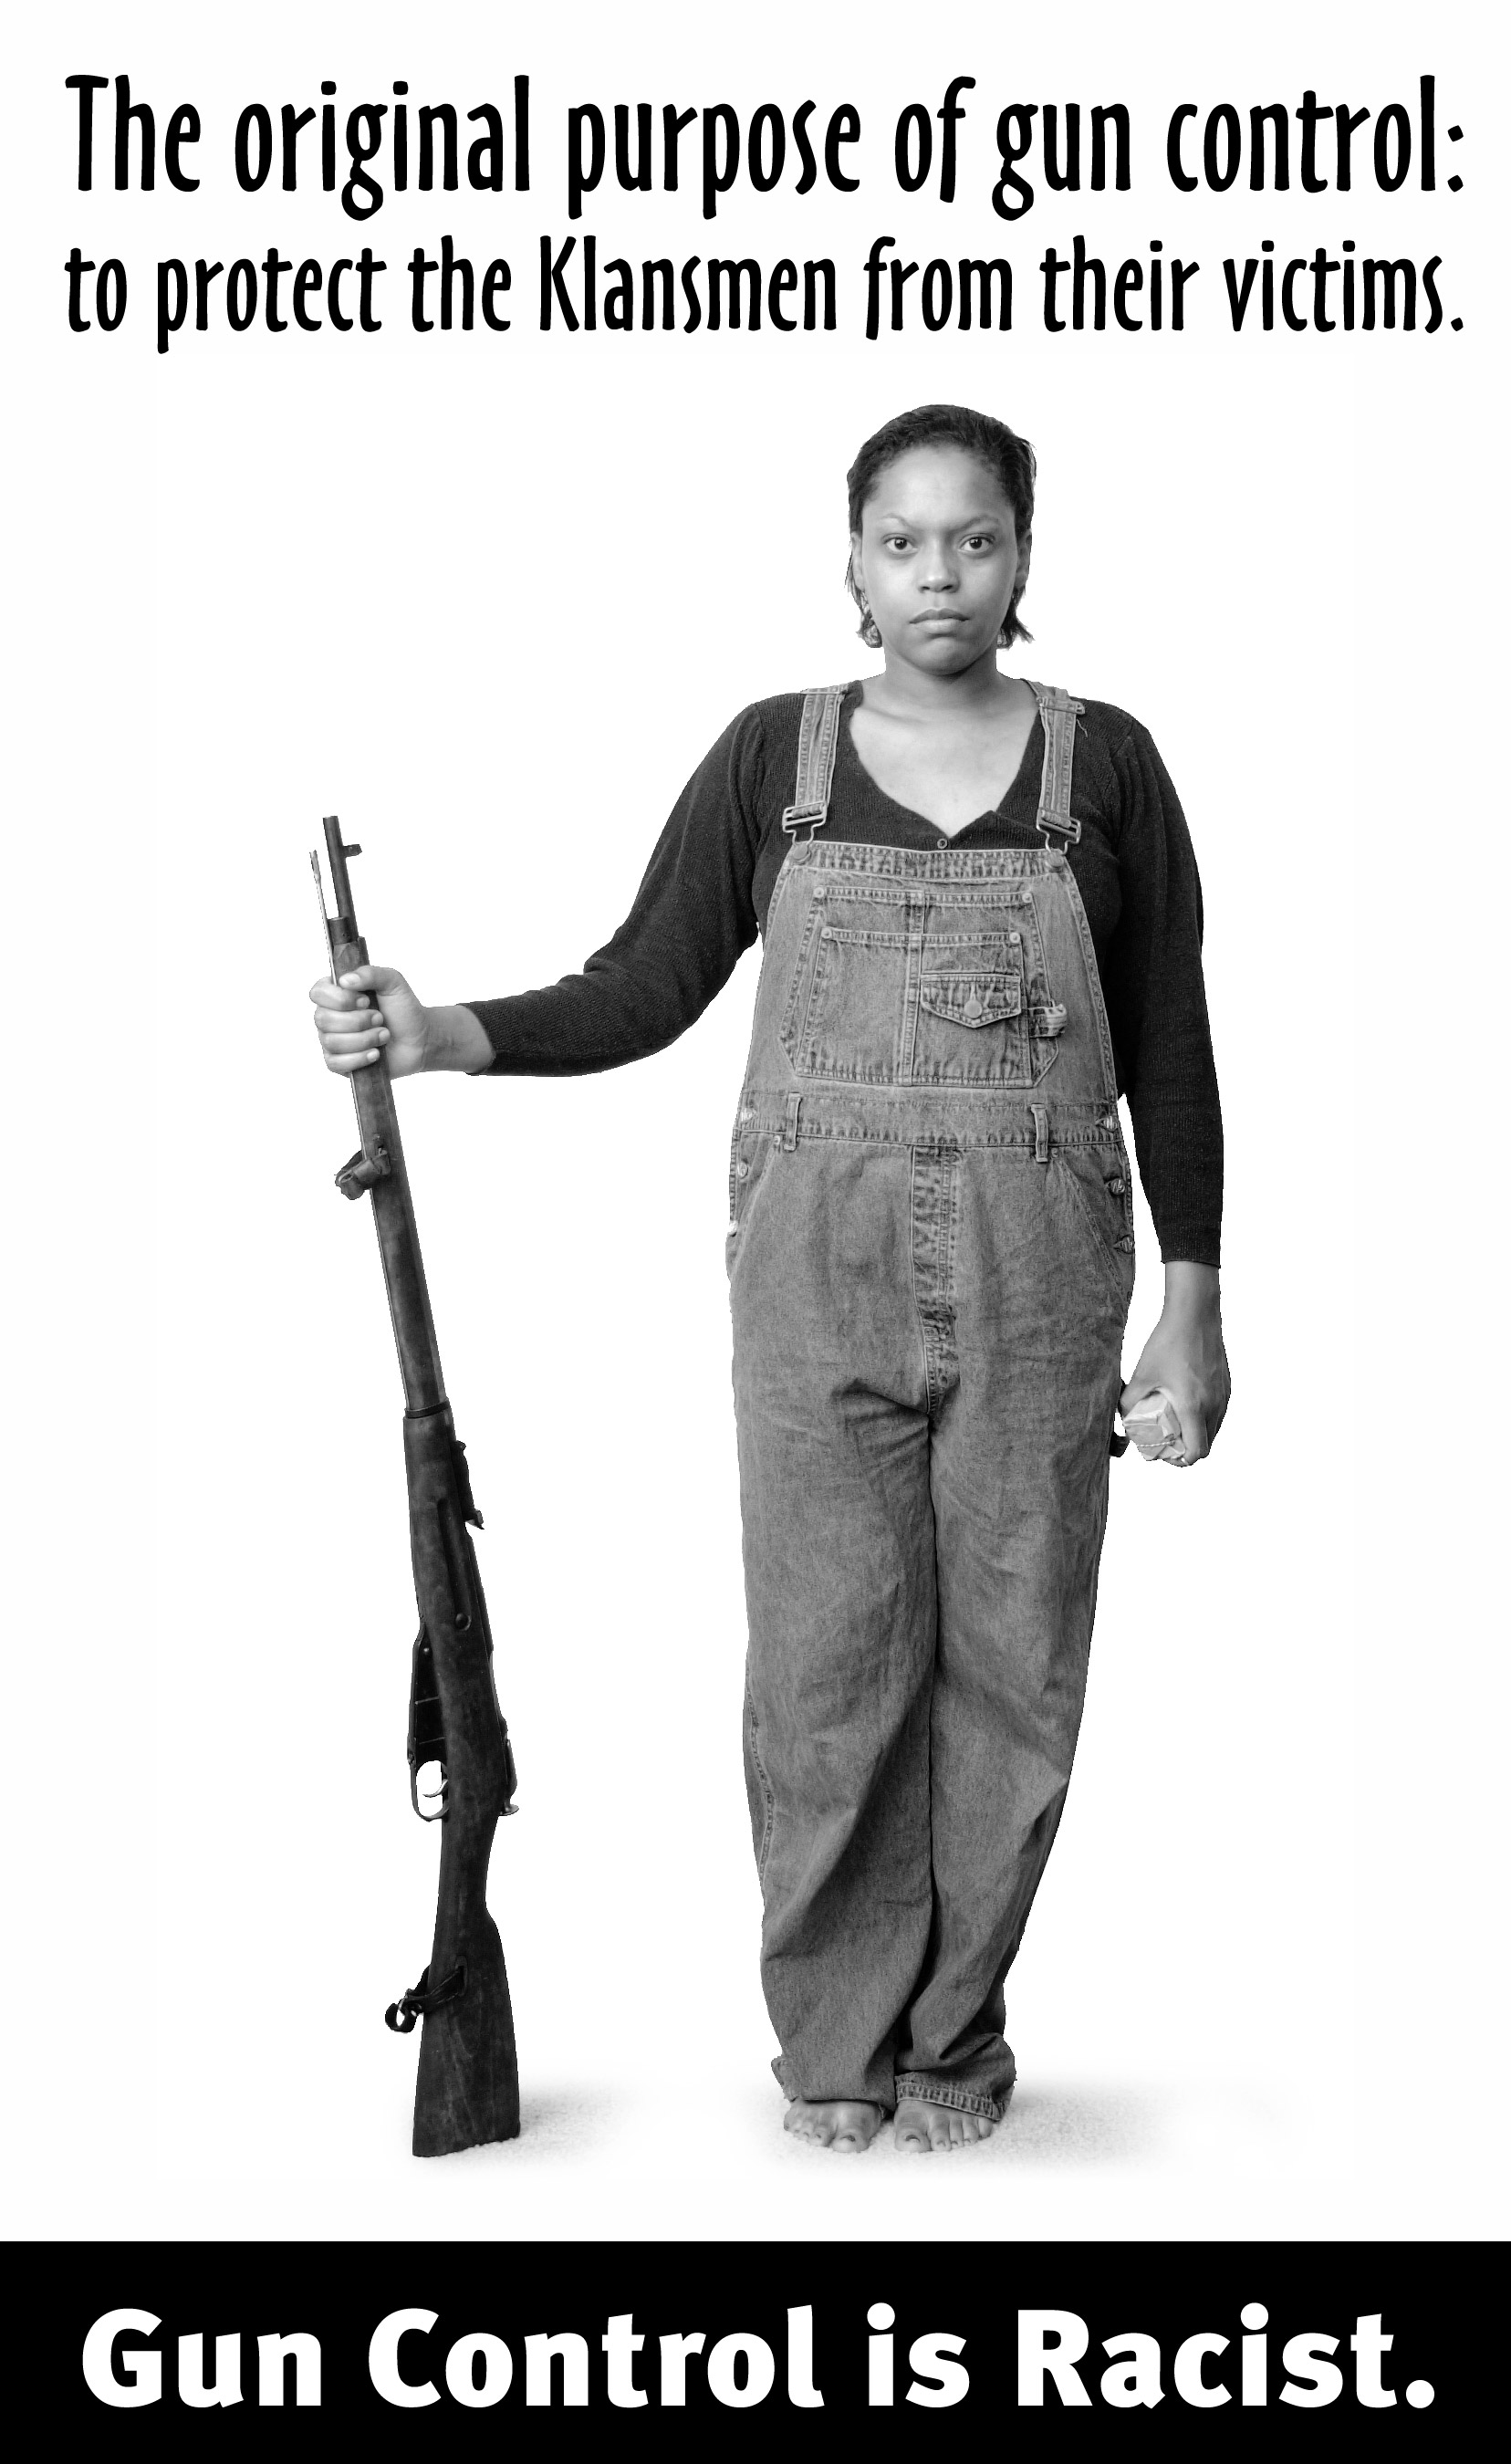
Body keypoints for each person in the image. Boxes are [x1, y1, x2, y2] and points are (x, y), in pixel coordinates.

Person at [310, 402, 1229, 2156]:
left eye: (975, 539)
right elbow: (641, 985)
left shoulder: (1106, 766)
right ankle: (837, 2054)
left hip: (1046, 1279)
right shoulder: (771, 762)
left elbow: (1169, 1048)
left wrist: (1194, 1304)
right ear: (853, 566)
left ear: (1025, 558)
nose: (940, 574)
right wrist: (441, 1034)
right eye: (903, 542)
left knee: (1021, 1672)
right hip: (816, 1278)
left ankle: (954, 2043)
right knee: (825, 1674)